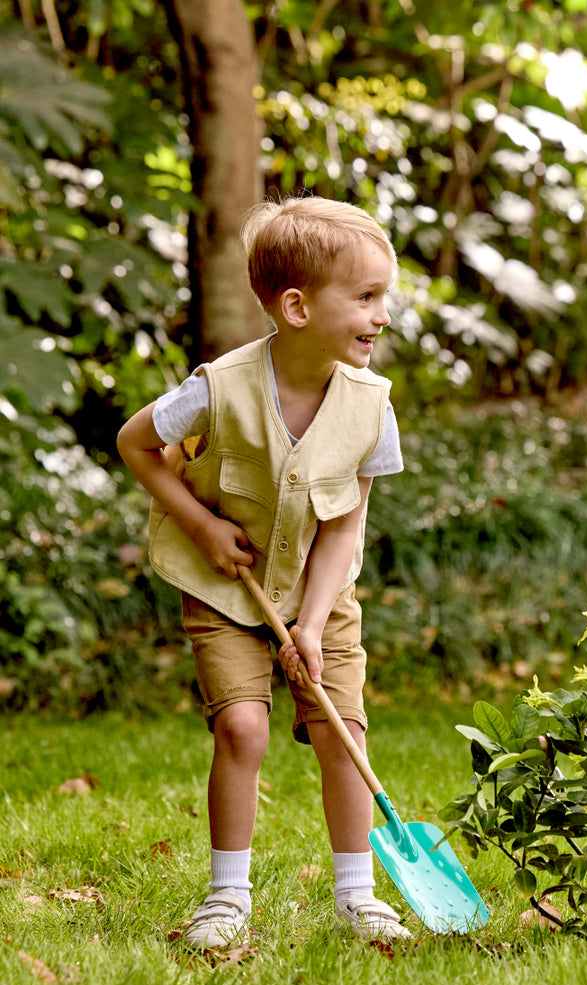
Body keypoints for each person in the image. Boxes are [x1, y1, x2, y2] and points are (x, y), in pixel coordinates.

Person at [117, 195, 411, 947]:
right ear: (297, 306)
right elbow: (134, 445)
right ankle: (226, 897)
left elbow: (346, 522)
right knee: (243, 729)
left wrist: (311, 625)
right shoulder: (218, 387)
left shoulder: (372, 406)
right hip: (225, 586)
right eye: (368, 297)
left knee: (341, 727)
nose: (385, 315)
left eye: (387, 295)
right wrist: (204, 525)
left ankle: (358, 894)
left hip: (319, 594)